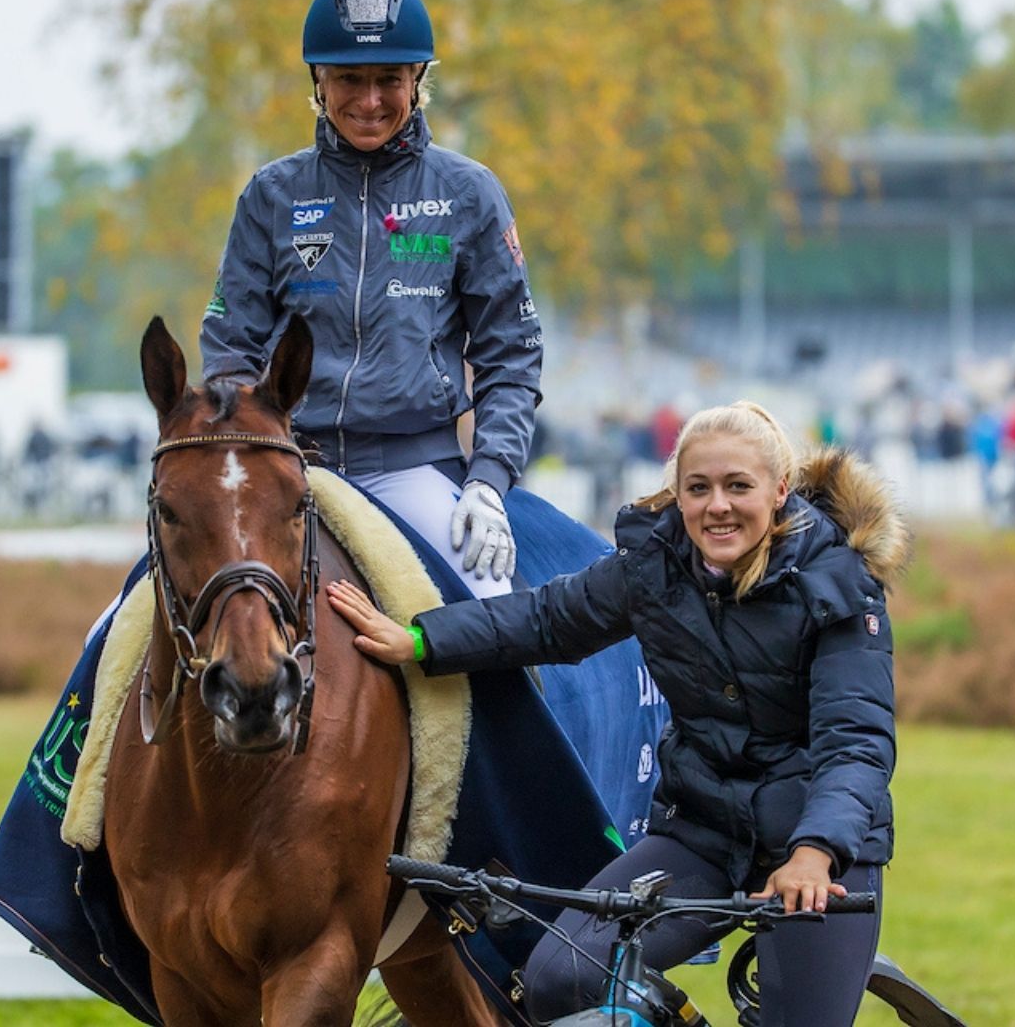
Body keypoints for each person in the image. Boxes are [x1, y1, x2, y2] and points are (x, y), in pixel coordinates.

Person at [328, 401, 905, 1025]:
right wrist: (419, 640)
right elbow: (546, 619)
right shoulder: (652, 569)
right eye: (699, 488)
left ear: (779, 491)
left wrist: (815, 853)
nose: (718, 506)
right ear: (676, 494)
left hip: (820, 849)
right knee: (563, 976)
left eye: (739, 486)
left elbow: (857, 742)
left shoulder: (842, 585)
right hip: (704, 835)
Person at [199, 0, 542, 598]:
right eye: (349, 79)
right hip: (287, 467)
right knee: (122, 620)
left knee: (495, 614)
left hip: (413, 472)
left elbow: (511, 354)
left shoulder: (469, 193)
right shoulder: (271, 195)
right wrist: (243, 452)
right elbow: (231, 347)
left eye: (389, 78)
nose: (370, 100)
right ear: (318, 82)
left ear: (418, 80)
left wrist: (489, 479)